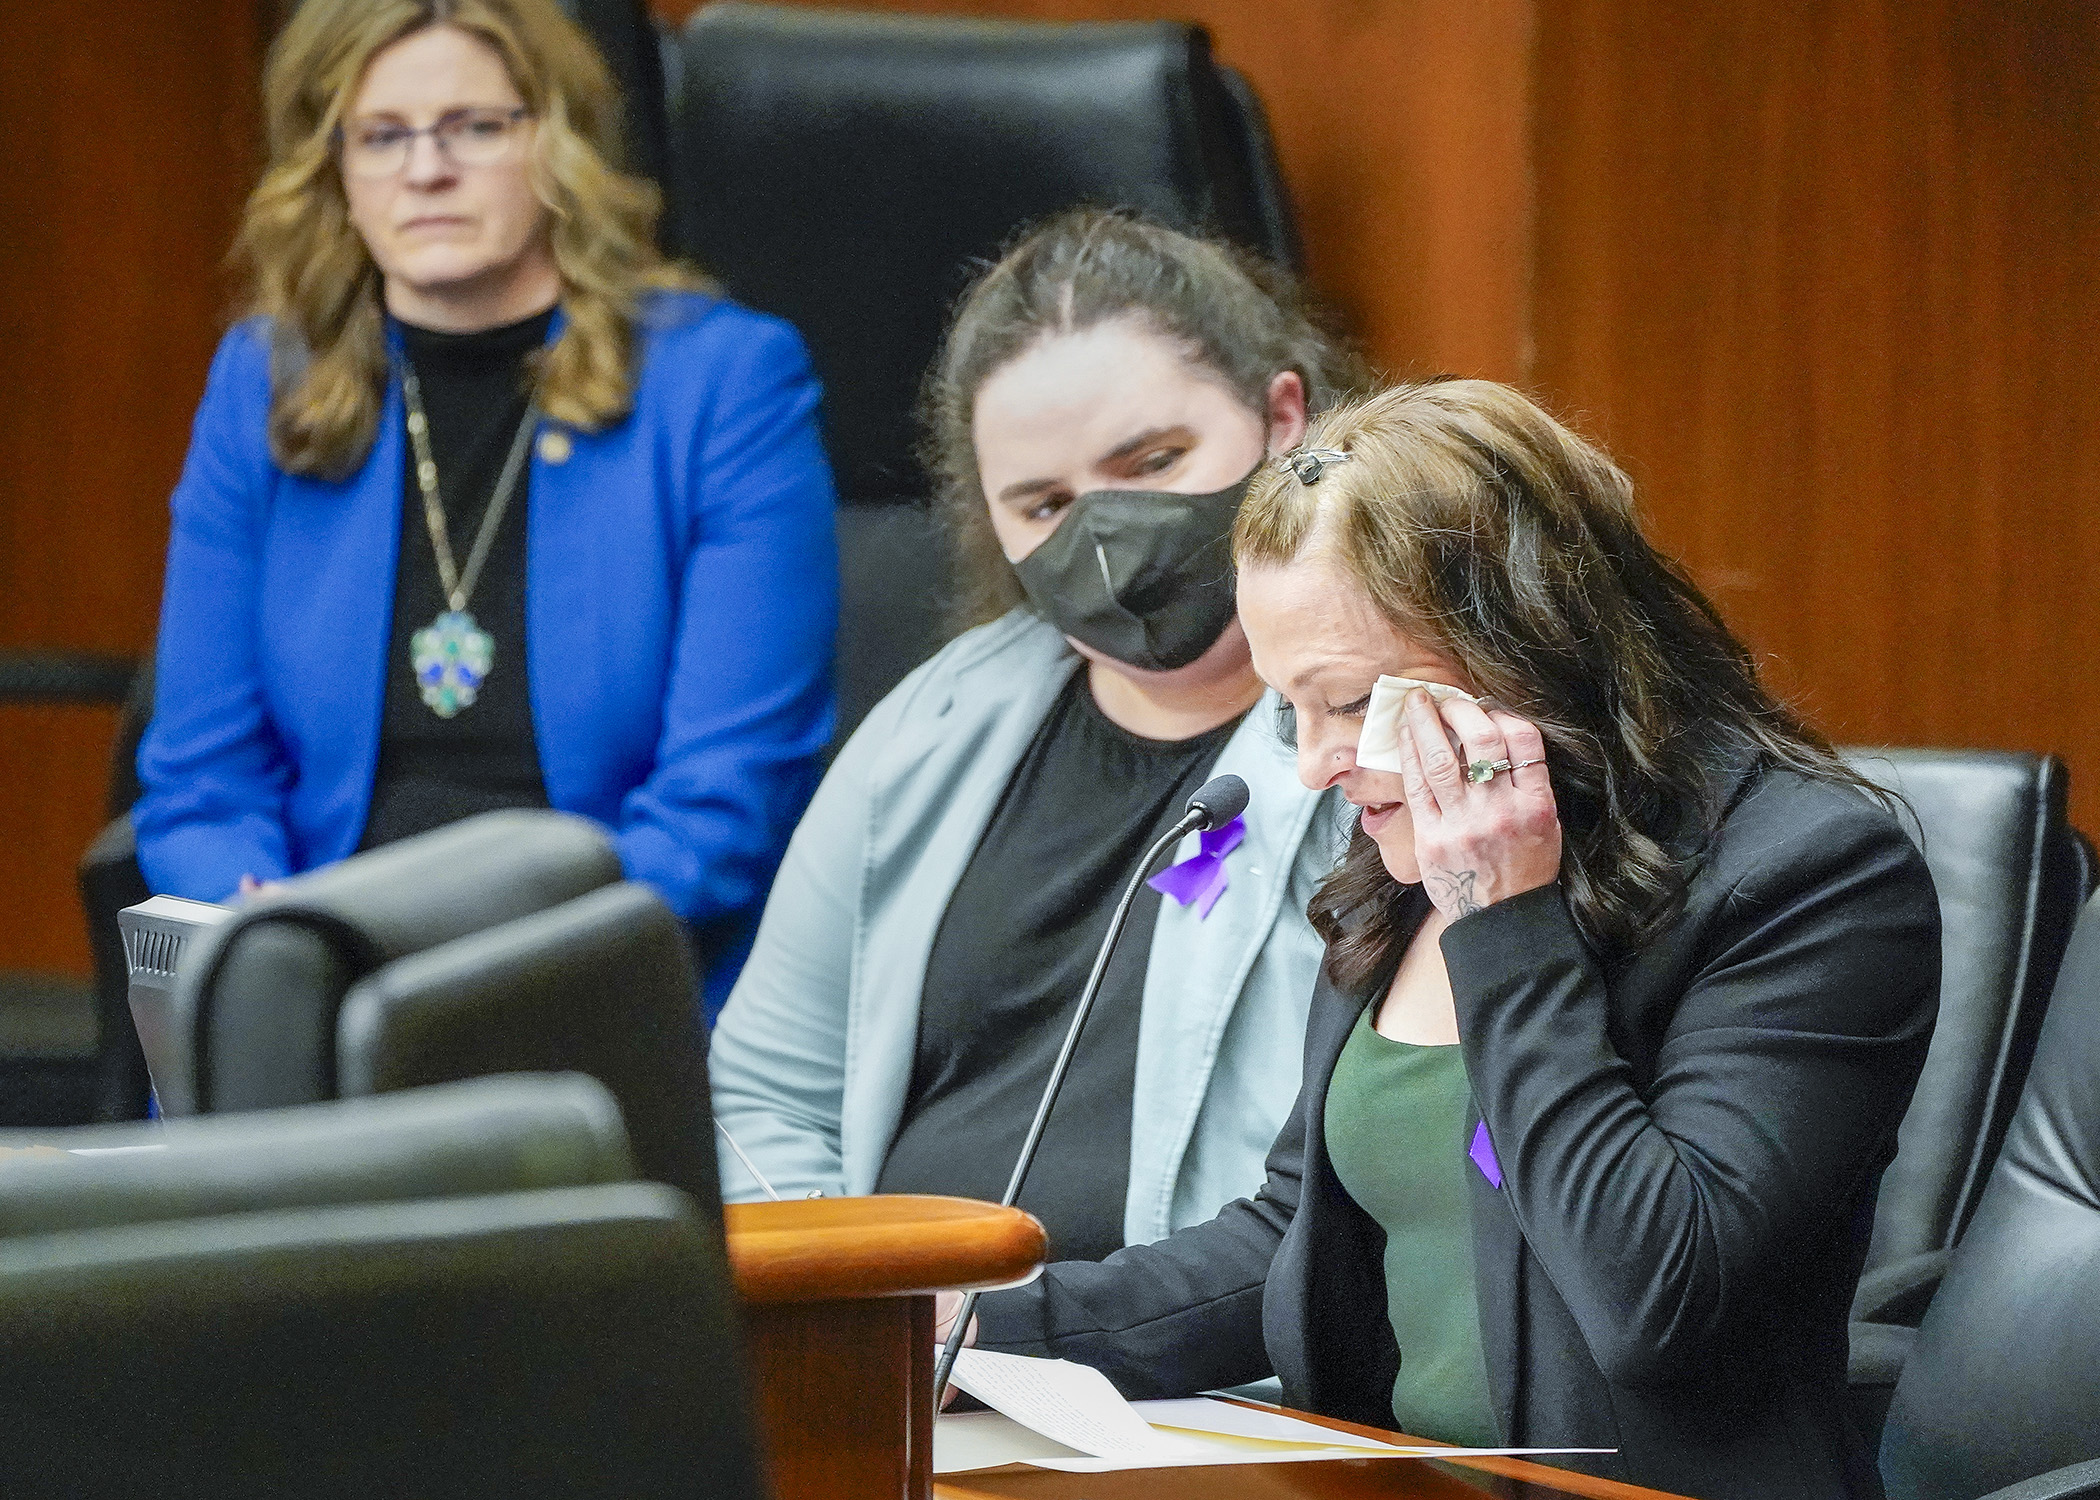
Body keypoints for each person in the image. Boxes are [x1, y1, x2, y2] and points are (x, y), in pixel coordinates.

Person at [959, 379, 1943, 1500]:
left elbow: (1655, 1303)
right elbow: (1297, 1232)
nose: (1314, 766)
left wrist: (1508, 928)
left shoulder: (1809, 874)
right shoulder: (1401, 866)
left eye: (1350, 703)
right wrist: (982, 1334)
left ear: (1533, 647)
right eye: (1289, 709)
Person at [132, 0, 837, 1015]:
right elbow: (201, 779)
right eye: (381, 136)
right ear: (332, 165)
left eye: (472, 126)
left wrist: (455, 971)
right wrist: (266, 928)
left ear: (557, 139)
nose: (425, 171)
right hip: (310, 989)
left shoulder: (723, 384)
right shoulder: (265, 383)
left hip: (603, 975)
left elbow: (720, 813)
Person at [707, 211, 1364, 1262]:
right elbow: (763, 1095)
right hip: (910, 1371)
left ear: (1283, 419)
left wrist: (1052, 1336)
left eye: (1152, 460)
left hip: (1199, 1392)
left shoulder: (1380, 742)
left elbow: (1392, 1176)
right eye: (1045, 504)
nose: (1104, 534)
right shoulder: (936, 722)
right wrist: (855, 1320)